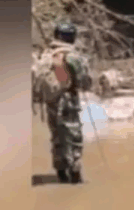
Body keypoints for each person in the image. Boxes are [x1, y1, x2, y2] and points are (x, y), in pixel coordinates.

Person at [34, 22, 92, 184]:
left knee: (57, 136)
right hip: (68, 102)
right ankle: (75, 173)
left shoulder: (47, 55)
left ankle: (61, 173)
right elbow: (85, 83)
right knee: (74, 136)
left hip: (51, 101)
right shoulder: (73, 56)